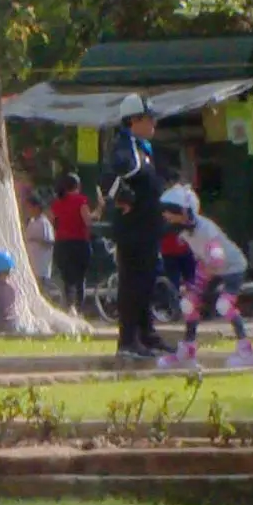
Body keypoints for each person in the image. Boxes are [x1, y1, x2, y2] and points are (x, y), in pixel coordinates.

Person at [156, 192, 253, 370]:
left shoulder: (206, 230)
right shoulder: (183, 230)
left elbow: (217, 258)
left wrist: (201, 284)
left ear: (184, 212)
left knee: (224, 305)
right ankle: (187, 352)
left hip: (232, 268)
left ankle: (246, 351)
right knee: (188, 304)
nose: (165, 215)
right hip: (208, 267)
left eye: (169, 211)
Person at [103, 94, 172, 359]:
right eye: (149, 118)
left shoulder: (143, 148)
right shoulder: (125, 146)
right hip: (133, 230)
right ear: (134, 120)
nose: (154, 123)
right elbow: (111, 174)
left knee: (147, 282)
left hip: (147, 229)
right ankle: (128, 340)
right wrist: (124, 197)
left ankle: (146, 334)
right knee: (133, 283)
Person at [50, 173, 93, 312]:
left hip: (62, 244)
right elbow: (87, 221)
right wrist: (97, 213)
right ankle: (79, 308)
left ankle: (69, 306)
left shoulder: (57, 203)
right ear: (77, 185)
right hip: (79, 242)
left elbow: (54, 223)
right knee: (80, 278)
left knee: (67, 279)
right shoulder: (81, 200)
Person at [157, 175, 199, 292]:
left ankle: (175, 300)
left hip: (173, 248)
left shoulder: (166, 199)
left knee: (174, 282)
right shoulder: (186, 197)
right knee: (189, 280)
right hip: (181, 247)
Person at [23, 195, 54, 286]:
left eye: (29, 207)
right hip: (31, 267)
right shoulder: (31, 222)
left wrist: (35, 240)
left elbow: (49, 242)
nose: (27, 210)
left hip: (41, 268)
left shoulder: (44, 223)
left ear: (36, 207)